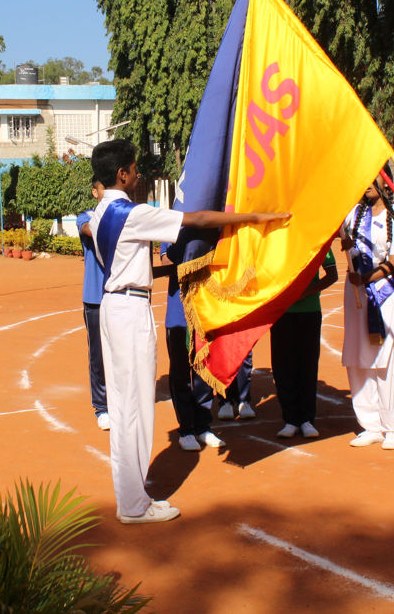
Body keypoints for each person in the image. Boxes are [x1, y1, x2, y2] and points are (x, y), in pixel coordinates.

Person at [87, 139, 286, 524]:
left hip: (115, 305)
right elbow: (195, 220)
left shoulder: (99, 213)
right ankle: (133, 505)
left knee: (126, 405)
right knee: (136, 407)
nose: (138, 174)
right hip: (129, 309)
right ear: (122, 175)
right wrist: (252, 218)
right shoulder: (131, 213)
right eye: (134, 168)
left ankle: (133, 496)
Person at [341, 178, 394, 450]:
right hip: (356, 292)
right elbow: (341, 236)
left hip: (385, 292)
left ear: (387, 182)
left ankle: (391, 426)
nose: (367, 183)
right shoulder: (353, 213)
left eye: (374, 178)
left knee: (387, 358)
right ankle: (369, 424)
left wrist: (369, 278)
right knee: (358, 357)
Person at [161, 243, 223, 451]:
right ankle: (186, 429)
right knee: (180, 373)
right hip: (178, 315)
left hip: (203, 312)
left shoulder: (208, 234)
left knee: (204, 370)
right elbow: (166, 261)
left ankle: (203, 426)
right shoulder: (170, 230)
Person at [271, 246, 337, 439]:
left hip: (309, 311)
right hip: (281, 313)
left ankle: (307, 419)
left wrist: (305, 292)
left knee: (307, 365)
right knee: (283, 366)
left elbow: (332, 274)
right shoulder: (277, 241)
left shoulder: (318, 239)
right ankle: (290, 419)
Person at [76, 183, 111, 431]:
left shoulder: (123, 214)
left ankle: (119, 401)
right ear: (95, 192)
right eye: (102, 189)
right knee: (98, 355)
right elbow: (89, 230)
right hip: (95, 298)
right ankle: (101, 406)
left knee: (120, 353)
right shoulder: (86, 216)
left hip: (119, 296)